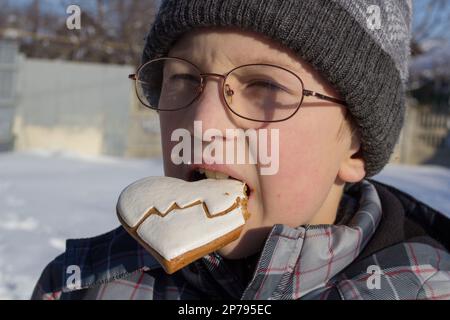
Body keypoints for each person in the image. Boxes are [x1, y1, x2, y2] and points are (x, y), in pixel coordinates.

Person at [32, 0, 450, 300]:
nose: (203, 123)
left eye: (265, 86)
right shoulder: (80, 285)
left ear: (355, 147)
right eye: (182, 78)